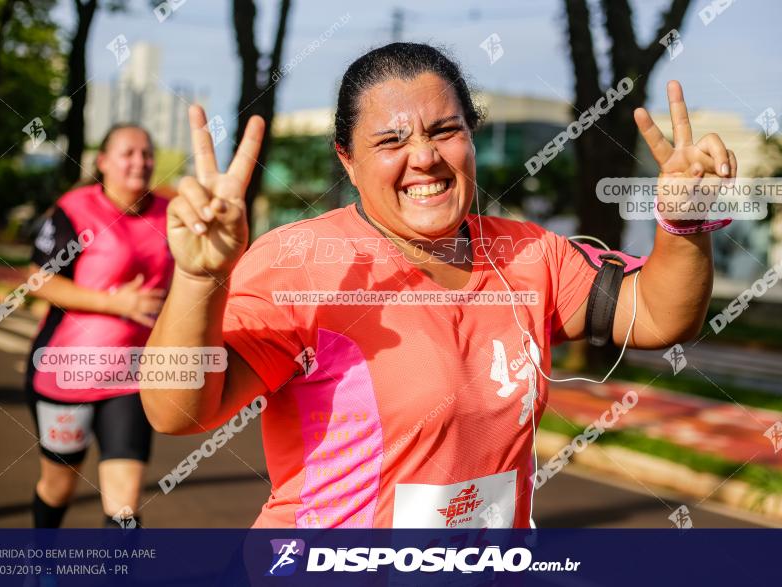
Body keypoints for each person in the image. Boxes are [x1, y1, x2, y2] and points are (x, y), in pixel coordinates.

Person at [141, 43, 737, 528]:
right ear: (347, 161)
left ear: (471, 138)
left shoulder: (527, 253)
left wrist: (684, 224)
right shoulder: (300, 263)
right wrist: (198, 278)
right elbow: (176, 412)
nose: (423, 157)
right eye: (391, 141)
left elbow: (658, 318)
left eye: (445, 130)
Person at [26, 123, 173, 528]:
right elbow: (39, 279)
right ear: (103, 162)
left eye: (146, 154)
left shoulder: (169, 213)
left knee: (124, 503)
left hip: (131, 376)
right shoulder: (77, 209)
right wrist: (115, 303)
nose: (139, 162)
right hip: (66, 373)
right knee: (58, 487)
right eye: (127, 153)